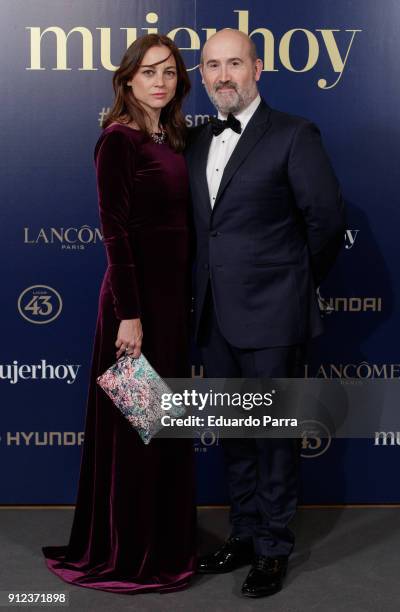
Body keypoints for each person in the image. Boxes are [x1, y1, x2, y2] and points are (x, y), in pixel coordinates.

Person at [185, 29, 345, 598]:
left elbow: (326, 221)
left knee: (274, 439)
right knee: (233, 434)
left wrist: (292, 285)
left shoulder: (295, 134)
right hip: (214, 318)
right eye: (212, 66)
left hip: (275, 317)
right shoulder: (197, 141)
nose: (223, 75)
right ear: (201, 75)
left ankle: (275, 548)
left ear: (258, 69)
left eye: (234, 63)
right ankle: (245, 534)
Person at [42, 34, 196, 594]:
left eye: (171, 72)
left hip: (171, 306)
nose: (161, 81)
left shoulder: (172, 136)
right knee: (138, 432)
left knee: (161, 428)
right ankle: (131, 552)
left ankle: (165, 539)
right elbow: (115, 231)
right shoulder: (118, 141)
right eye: (149, 71)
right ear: (127, 78)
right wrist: (130, 315)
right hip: (134, 310)